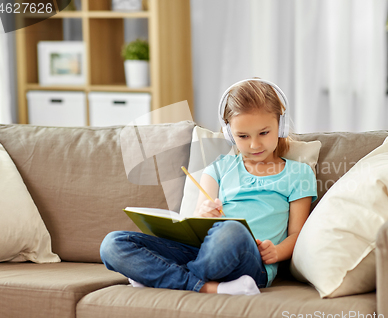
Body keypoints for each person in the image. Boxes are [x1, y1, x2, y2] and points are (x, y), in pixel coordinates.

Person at [100, 78, 317, 295]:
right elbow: (198, 226)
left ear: (281, 125)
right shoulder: (218, 169)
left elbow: (298, 234)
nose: (254, 144)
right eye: (243, 136)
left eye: (264, 133)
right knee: (113, 244)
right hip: (202, 252)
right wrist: (204, 214)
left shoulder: (298, 174)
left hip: (252, 263)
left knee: (232, 229)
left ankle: (162, 277)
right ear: (229, 133)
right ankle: (208, 287)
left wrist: (277, 252)